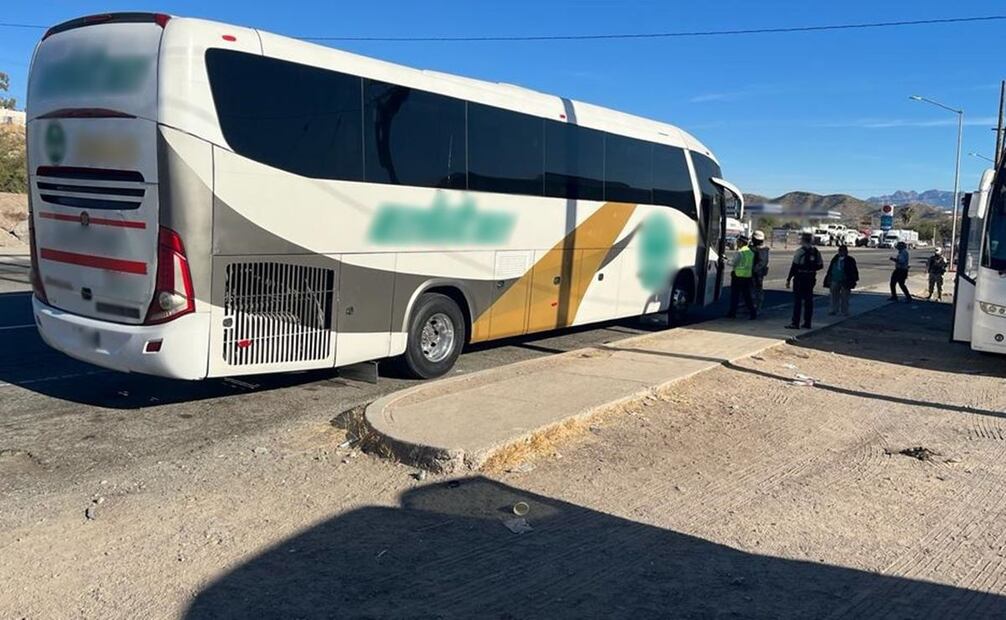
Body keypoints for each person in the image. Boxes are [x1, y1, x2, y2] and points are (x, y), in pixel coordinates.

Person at [785, 232, 823, 329]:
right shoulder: (816, 252)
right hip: (810, 278)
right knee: (808, 301)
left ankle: (795, 323)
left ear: (803, 240)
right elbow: (820, 265)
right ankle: (807, 322)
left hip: (800, 278)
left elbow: (794, 266)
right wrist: (812, 268)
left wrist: (789, 279)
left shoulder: (800, 251)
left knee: (798, 301)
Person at [726, 234, 758, 320]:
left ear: (741, 243)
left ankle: (732, 313)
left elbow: (733, 263)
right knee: (747, 296)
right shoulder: (750, 252)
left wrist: (726, 260)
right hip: (747, 277)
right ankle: (753, 313)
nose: (737, 243)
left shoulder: (740, 252)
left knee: (735, 296)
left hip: (738, 276)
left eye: (738, 242)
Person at [823, 244, 859, 316]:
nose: (841, 252)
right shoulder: (835, 258)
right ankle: (833, 309)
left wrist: (853, 280)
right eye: (840, 251)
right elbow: (831, 268)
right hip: (835, 279)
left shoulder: (850, 260)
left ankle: (844, 311)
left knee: (845, 296)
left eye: (843, 251)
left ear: (846, 252)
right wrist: (828, 278)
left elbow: (854, 271)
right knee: (833, 295)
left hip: (845, 280)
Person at [751, 230, 770, 311]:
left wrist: (752, 271)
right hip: (757, 274)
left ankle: (755, 307)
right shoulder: (759, 249)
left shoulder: (761, 251)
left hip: (756, 275)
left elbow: (761, 263)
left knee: (755, 291)